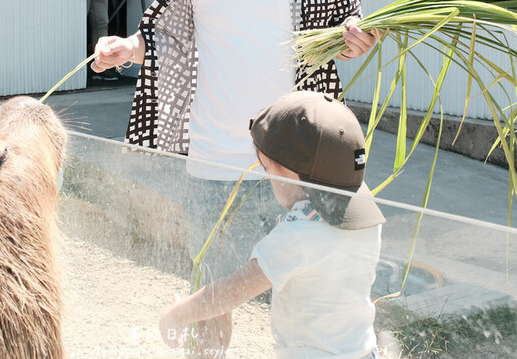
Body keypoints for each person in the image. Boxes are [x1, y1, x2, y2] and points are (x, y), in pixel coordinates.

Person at [91, 0, 379, 348]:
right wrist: (127, 48)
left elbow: (348, 30)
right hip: (214, 156)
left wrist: (358, 41)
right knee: (212, 297)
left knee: (309, 295)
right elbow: (167, 37)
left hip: (298, 163)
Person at [159, 91, 385, 359]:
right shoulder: (367, 219)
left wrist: (178, 313)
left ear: (288, 174)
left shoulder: (296, 237)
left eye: (267, 171)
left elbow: (233, 291)